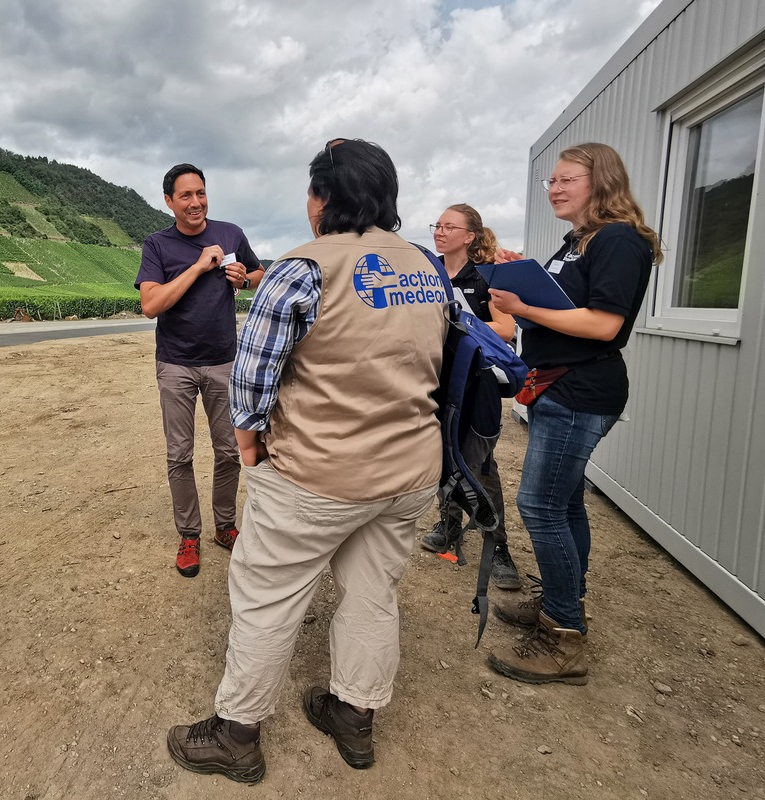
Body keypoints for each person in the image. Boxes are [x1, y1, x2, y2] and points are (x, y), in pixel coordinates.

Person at [166, 139, 447, 783]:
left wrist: (251, 450)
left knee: (266, 599)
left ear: (323, 200)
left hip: (319, 474)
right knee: (373, 595)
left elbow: (252, 379)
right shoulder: (426, 267)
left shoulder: (303, 267)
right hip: (409, 474)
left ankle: (237, 735)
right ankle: (354, 715)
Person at [486, 142, 662, 685]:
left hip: (580, 390)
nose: (555, 189)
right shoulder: (577, 240)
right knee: (564, 505)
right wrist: (525, 275)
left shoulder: (618, 240)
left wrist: (520, 307)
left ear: (601, 182)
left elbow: (604, 324)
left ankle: (563, 636)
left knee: (539, 505)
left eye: (567, 180)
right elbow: (567, 303)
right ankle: (566, 602)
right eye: (551, 182)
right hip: (558, 387)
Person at [135, 164, 264, 578]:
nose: (196, 202)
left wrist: (243, 279)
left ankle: (225, 526)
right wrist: (197, 267)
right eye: (186, 196)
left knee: (230, 450)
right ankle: (189, 534)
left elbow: (258, 274)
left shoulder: (230, 233)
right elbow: (151, 305)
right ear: (169, 202)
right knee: (180, 454)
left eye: (201, 193)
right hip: (175, 364)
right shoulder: (157, 245)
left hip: (224, 360)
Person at [419, 204, 522, 590]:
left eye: (450, 226)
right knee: (439, 453)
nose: (440, 232)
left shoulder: (483, 277)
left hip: (474, 381)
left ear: (470, 236)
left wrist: (459, 323)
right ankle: (448, 523)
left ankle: (497, 545)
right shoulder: (428, 274)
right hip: (436, 376)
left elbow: (507, 328)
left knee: (479, 462)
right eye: (437, 225)